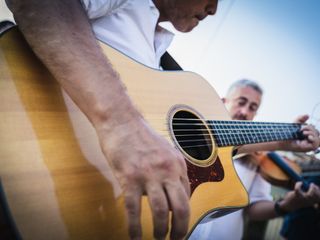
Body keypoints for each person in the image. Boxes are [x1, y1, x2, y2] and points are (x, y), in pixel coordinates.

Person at [5, 1, 320, 239]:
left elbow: (207, 137)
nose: (213, 9)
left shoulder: (161, 57)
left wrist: (286, 138)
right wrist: (121, 124)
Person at [189, 79, 320, 240]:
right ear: (223, 102)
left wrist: (285, 206)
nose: (244, 112)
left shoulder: (259, 157)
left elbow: (253, 207)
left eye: (252, 108)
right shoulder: (190, 135)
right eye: (241, 102)